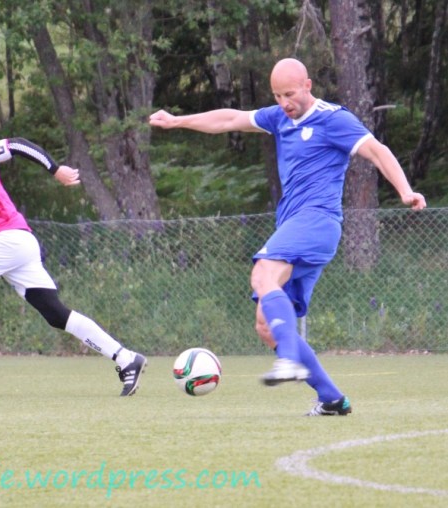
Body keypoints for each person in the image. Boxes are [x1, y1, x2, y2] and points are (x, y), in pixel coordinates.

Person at [149, 58, 426, 415]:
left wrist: (405, 191)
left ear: (308, 85)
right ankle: (331, 399)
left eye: (290, 94)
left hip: (318, 221)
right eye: (277, 96)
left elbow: (377, 151)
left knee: (262, 273)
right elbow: (230, 119)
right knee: (267, 326)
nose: (284, 103)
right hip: (294, 227)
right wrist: (177, 121)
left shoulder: (333, 119)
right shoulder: (279, 118)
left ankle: (290, 360)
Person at [0, 113, 147, 396]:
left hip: (10, 239)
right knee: (55, 314)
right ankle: (126, 358)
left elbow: (17, 144)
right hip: (15, 245)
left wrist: (55, 169)